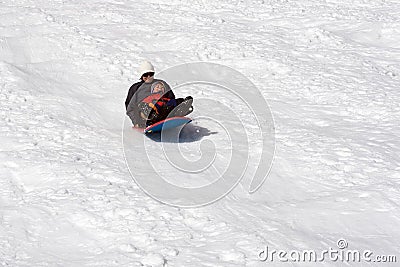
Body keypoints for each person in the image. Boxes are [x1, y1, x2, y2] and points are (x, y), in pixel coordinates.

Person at [126, 61, 193, 127]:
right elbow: (130, 108)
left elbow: (171, 98)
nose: (149, 76)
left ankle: (180, 110)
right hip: (145, 115)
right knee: (146, 108)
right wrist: (136, 122)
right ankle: (151, 115)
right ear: (141, 75)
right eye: (145, 75)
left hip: (163, 110)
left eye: (151, 74)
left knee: (171, 104)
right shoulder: (135, 88)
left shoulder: (161, 83)